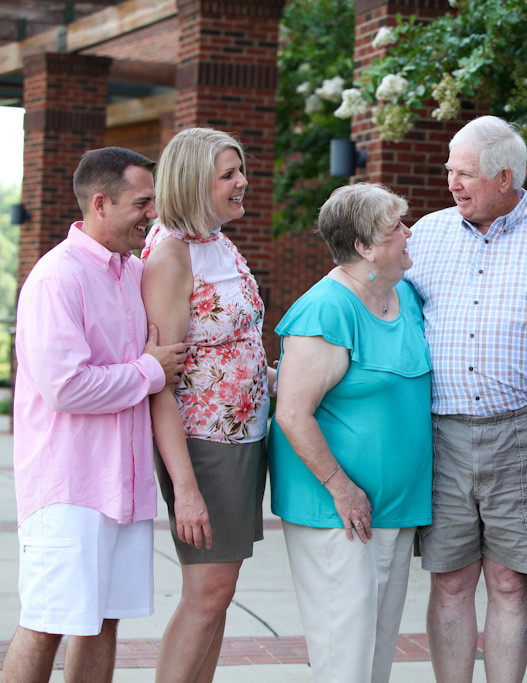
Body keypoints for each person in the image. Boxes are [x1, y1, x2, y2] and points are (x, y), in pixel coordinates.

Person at [404, 115, 527, 682]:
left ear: (502, 177)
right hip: (441, 434)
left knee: (510, 580)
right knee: (449, 578)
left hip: (525, 435)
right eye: (449, 170)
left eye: (463, 172)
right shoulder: (425, 236)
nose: (452, 182)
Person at [5, 147, 185, 682]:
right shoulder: (57, 278)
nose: (151, 213)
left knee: (103, 622)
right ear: (101, 203)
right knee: (45, 623)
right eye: (142, 202)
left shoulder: (132, 273)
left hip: (121, 489)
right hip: (68, 489)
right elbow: (66, 387)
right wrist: (150, 372)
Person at [268, 183, 432, 682]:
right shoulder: (326, 310)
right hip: (337, 510)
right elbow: (293, 414)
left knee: (375, 656)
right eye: (395, 227)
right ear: (363, 247)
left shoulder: (404, 294)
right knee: (345, 656)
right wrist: (342, 488)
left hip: (394, 508)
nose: (409, 232)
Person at [140, 128, 271, 683]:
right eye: (228, 174)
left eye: (240, 170)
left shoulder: (217, 241)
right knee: (207, 594)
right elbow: (160, 382)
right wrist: (186, 487)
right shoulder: (170, 254)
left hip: (242, 440)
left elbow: (235, 344)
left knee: (219, 596)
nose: (242, 182)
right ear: (195, 181)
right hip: (204, 445)